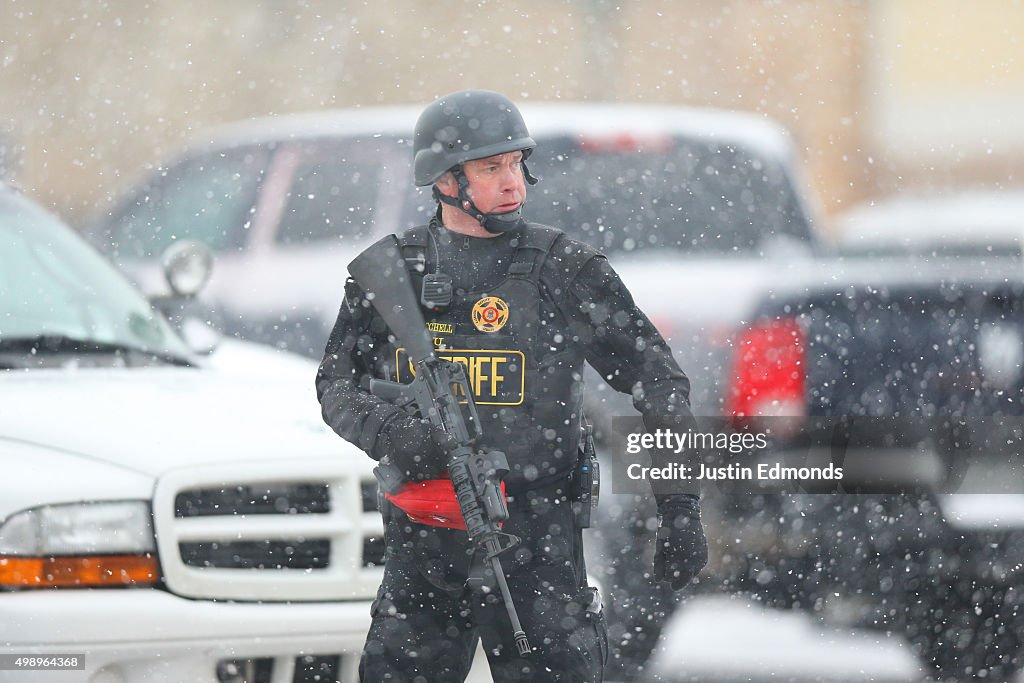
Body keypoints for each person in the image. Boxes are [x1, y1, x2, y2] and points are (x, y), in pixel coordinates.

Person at [316, 89, 707, 682]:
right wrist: (398, 433)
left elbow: (659, 379)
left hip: (537, 539)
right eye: (491, 167)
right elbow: (335, 386)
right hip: (424, 540)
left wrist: (678, 506)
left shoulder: (564, 269)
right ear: (446, 181)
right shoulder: (394, 273)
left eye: (517, 164)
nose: (513, 183)